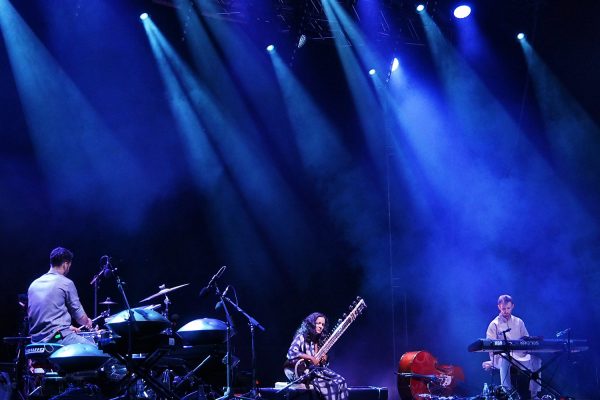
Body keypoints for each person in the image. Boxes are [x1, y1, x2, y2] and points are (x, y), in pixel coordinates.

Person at [28, 247, 94, 345]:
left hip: (36, 341)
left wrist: (67, 328)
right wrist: (87, 322)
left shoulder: (33, 284)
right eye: (69, 265)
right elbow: (80, 318)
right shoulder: (66, 283)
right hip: (56, 338)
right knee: (100, 353)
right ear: (66, 264)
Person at [483, 294, 541, 399]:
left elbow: (526, 340)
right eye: (503, 308)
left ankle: (534, 395)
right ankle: (507, 393)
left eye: (508, 308)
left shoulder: (519, 322)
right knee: (505, 356)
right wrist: (493, 360)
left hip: (520, 357)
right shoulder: (494, 324)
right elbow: (489, 345)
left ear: (512, 306)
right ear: (499, 307)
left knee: (536, 360)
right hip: (501, 358)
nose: (506, 311)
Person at [285, 312, 348, 400]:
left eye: (323, 324)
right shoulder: (301, 337)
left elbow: (320, 364)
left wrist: (324, 360)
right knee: (331, 385)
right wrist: (310, 357)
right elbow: (291, 352)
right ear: (311, 323)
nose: (320, 326)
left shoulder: (318, 341)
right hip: (305, 373)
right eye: (318, 323)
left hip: (318, 372)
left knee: (341, 381)